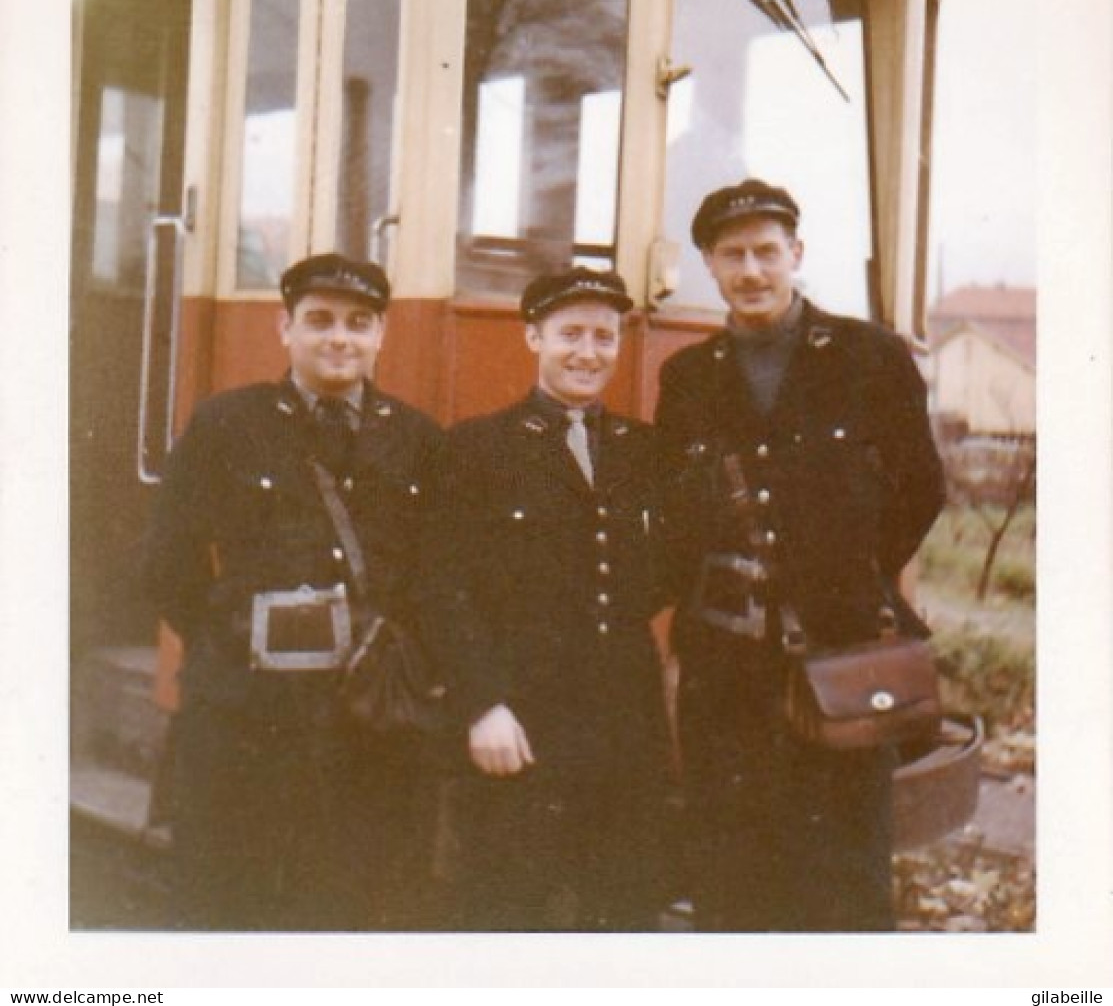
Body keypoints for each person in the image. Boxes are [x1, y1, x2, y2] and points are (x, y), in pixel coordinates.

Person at [655, 177, 944, 931]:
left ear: (796, 255)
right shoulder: (686, 378)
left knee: (842, 877)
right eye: (731, 256)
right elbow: (678, 513)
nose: (750, 271)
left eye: (764, 252)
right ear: (709, 269)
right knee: (731, 873)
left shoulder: (868, 357)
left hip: (842, 656)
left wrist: (845, 575)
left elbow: (920, 486)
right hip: (725, 669)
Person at [142, 253, 445, 931]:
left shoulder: (419, 439)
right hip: (245, 715)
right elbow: (166, 563)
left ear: (380, 336)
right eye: (319, 321)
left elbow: (436, 576)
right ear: (285, 329)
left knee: (347, 903)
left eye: (358, 323)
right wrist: (231, 640)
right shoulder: (227, 424)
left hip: (366, 722)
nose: (339, 338)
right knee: (224, 901)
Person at [428, 267, 672, 931]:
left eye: (603, 335)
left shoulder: (643, 452)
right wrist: (481, 704)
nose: (587, 352)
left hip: (624, 731)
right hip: (519, 726)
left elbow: (661, 573)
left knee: (621, 914)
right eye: (570, 334)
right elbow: (442, 589)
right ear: (533, 335)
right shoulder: (478, 448)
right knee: (504, 912)